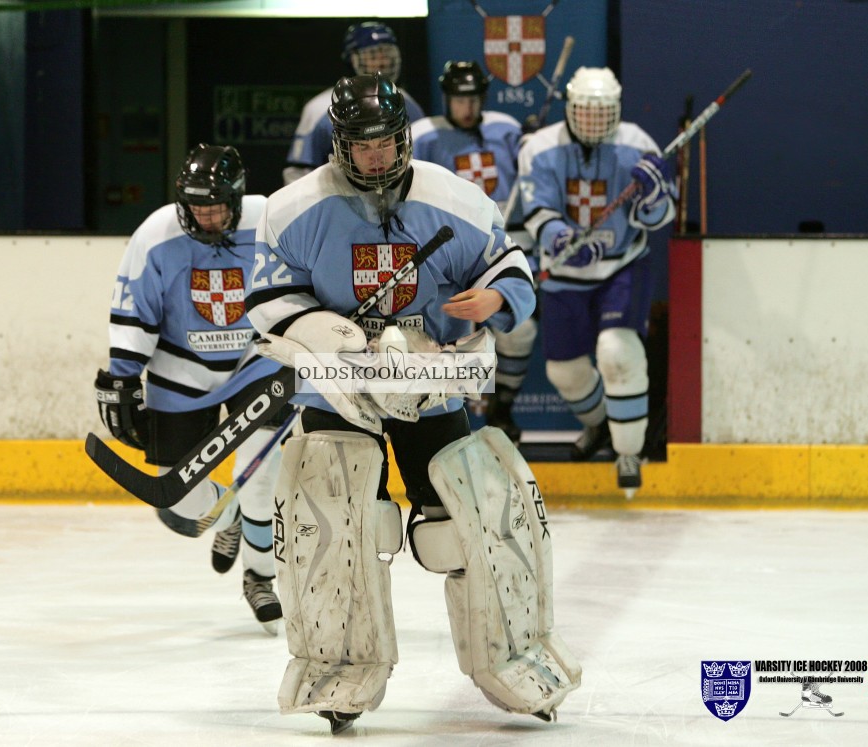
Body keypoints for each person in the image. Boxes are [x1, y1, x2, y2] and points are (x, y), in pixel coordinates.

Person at [247, 72, 581, 734]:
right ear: (339, 144)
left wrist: (494, 297)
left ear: (404, 137)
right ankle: (337, 666)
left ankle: (514, 658)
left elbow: (509, 263)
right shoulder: (291, 209)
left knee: (469, 523)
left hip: (428, 384)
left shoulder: (452, 198)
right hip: (339, 392)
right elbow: (266, 299)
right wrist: (322, 330)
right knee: (340, 527)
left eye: (387, 142)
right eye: (361, 145)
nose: (376, 157)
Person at [94, 144, 288, 632]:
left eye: (217, 206)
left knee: (262, 479)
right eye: (197, 207)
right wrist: (122, 376)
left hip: (255, 362)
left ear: (239, 198)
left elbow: (298, 283)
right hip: (179, 370)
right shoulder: (156, 234)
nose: (206, 217)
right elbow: (134, 309)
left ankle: (260, 575)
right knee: (178, 504)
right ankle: (232, 519)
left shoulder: (269, 219)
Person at [518, 67, 676, 497]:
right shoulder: (540, 147)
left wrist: (654, 195)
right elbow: (538, 212)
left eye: (602, 113)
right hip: (564, 273)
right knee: (564, 373)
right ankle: (604, 426)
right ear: (571, 109)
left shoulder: (639, 144)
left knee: (617, 350)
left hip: (622, 264)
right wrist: (563, 238)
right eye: (585, 113)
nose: (593, 122)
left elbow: (662, 218)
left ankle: (629, 452)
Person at [410, 59, 533, 443]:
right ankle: (444, 409)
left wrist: (532, 144)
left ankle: (503, 408)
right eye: (459, 100)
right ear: (447, 98)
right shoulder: (424, 134)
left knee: (520, 331)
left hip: (497, 246)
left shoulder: (506, 129)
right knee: (446, 331)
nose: (467, 108)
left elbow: (530, 174)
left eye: (474, 99)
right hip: (445, 251)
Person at [282, 21, 426, 185]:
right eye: (372, 55)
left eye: (387, 54)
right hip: (339, 200)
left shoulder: (408, 105)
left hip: (397, 199)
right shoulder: (320, 108)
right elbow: (299, 171)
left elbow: (419, 162)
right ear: (352, 59)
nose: (382, 62)